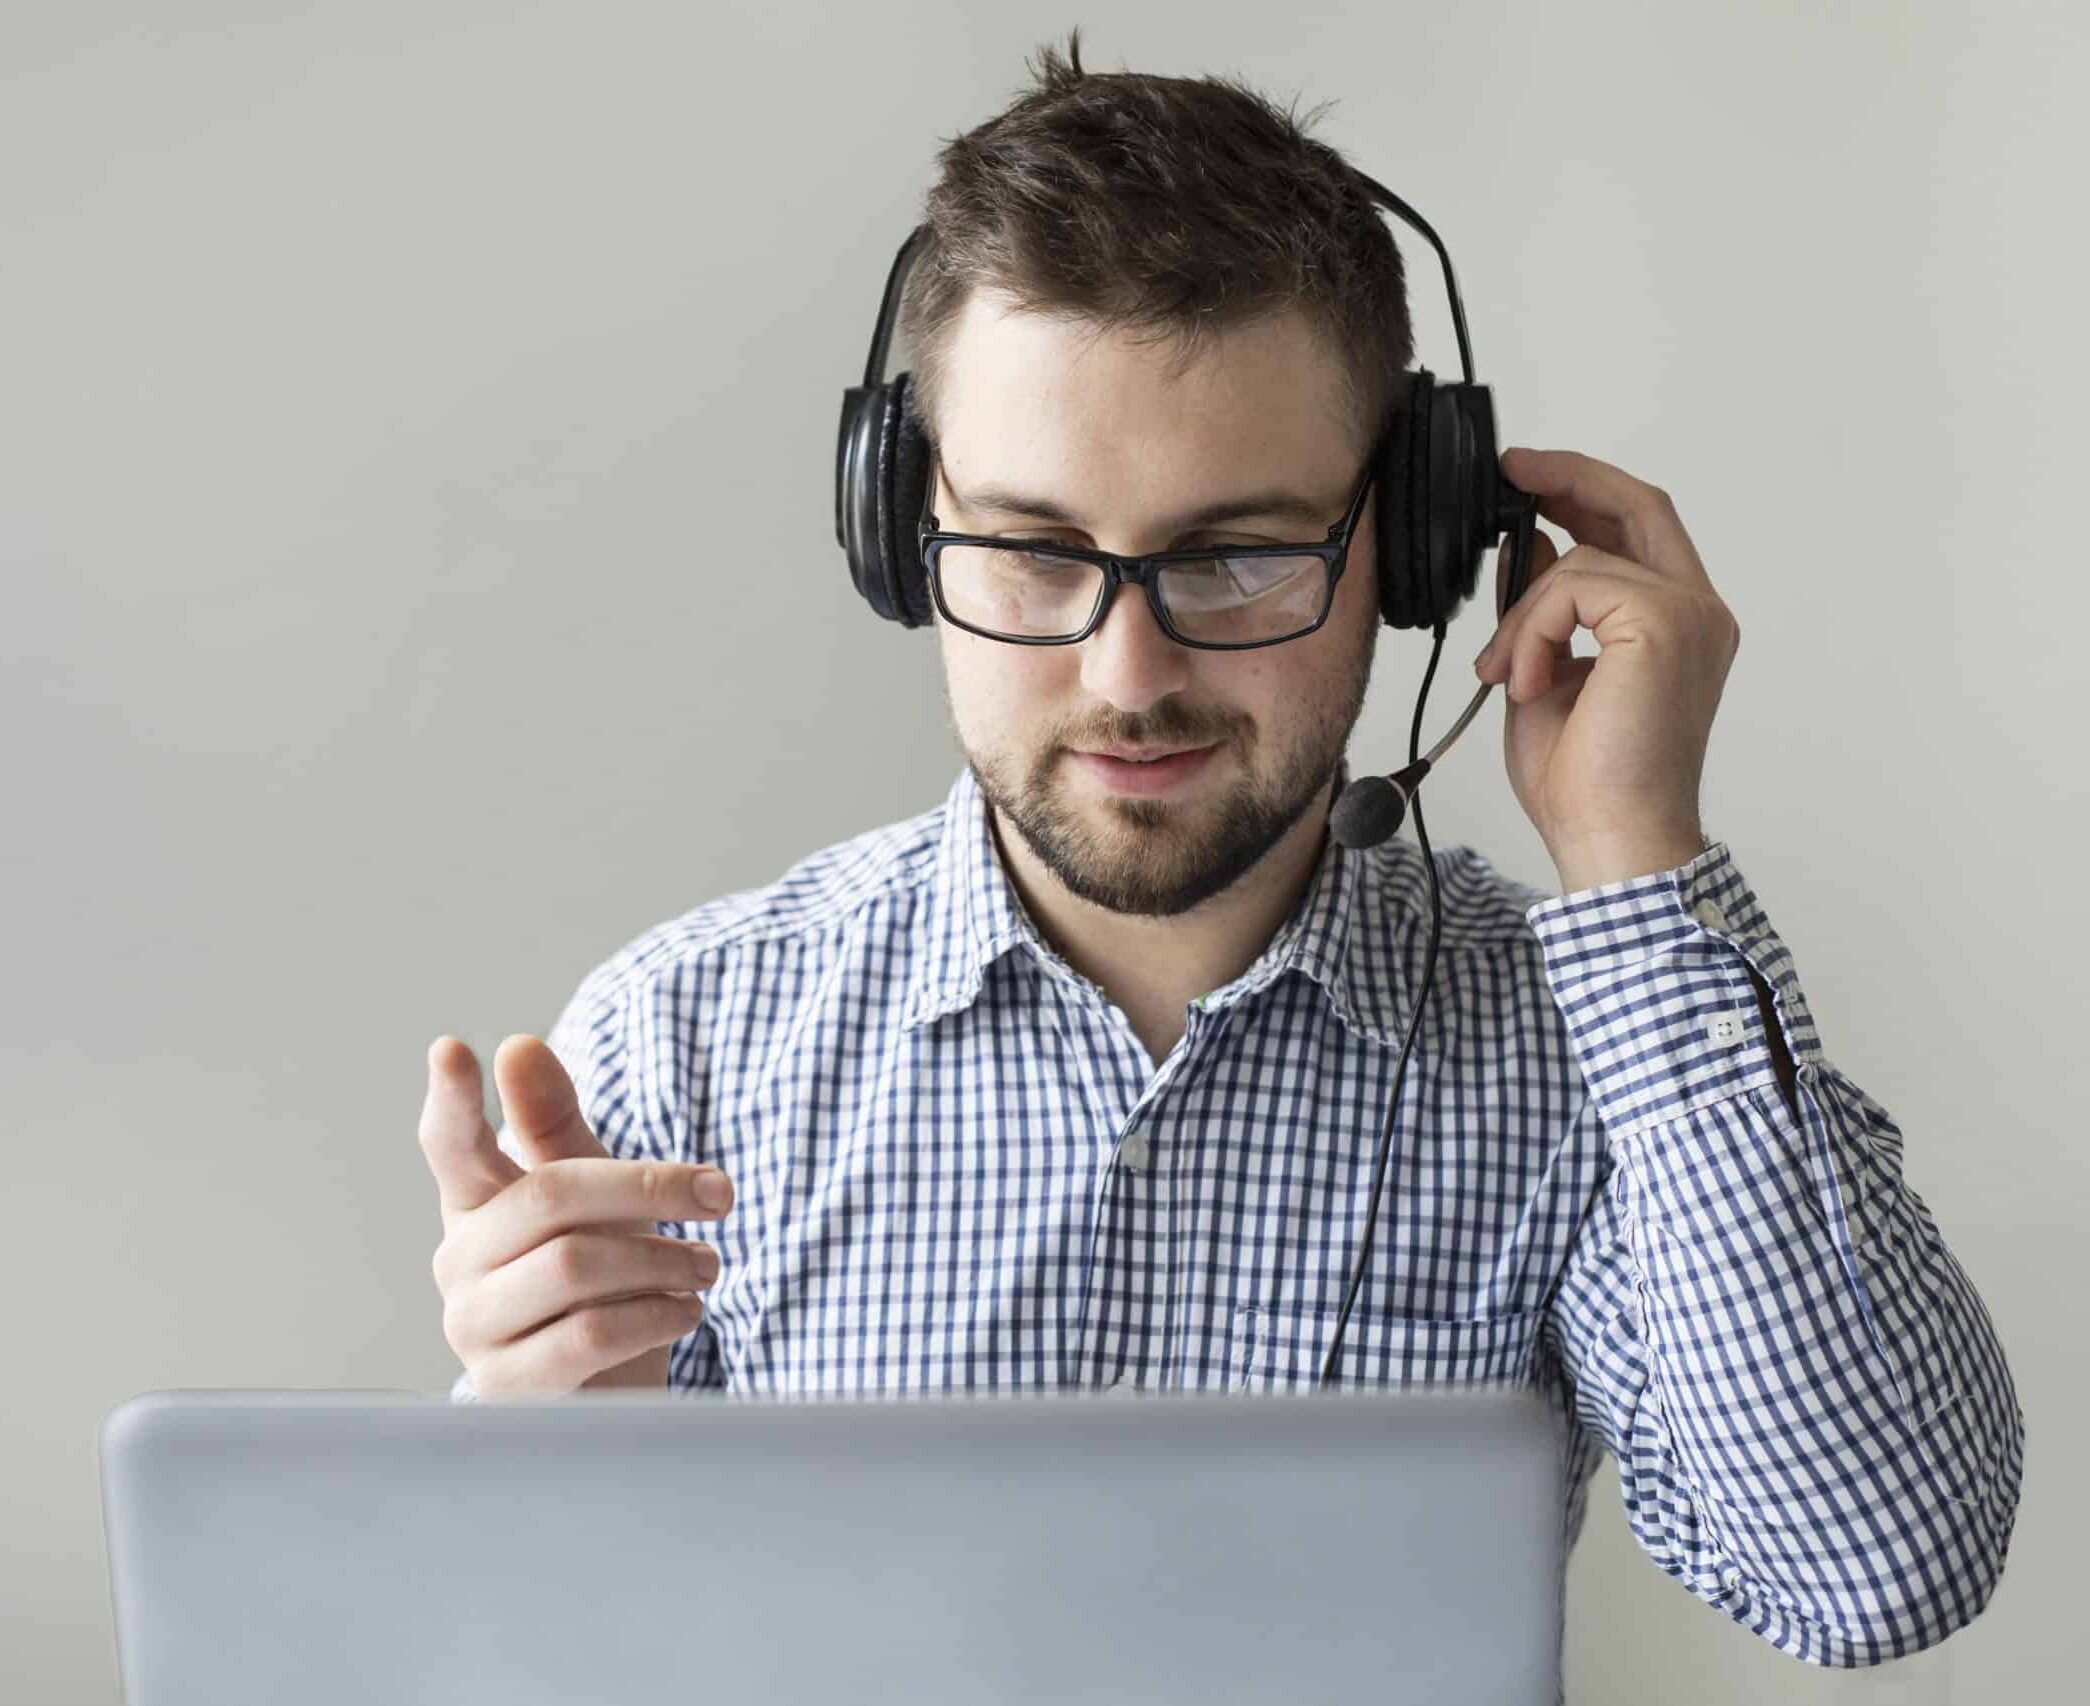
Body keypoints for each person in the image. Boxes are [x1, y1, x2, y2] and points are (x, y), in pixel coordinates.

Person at [418, 30, 2022, 1669]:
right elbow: (547, 1658)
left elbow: (1869, 1570)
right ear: (898, 532)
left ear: (1411, 543)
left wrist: (1632, 857)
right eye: (1033, 552)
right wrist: (550, 1467)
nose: (1129, 676)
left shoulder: (1583, 1058)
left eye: (1238, 554)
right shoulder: (683, 1036)